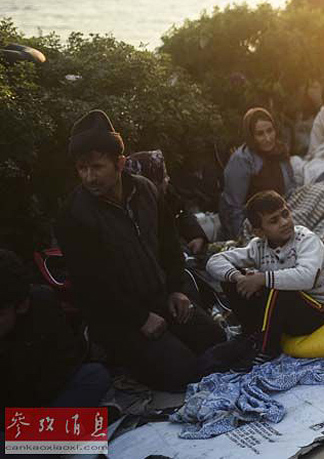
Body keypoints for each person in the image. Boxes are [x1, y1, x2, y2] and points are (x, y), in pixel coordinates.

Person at [56, 110, 225, 391]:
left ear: (120, 163)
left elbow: (169, 245)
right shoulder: (75, 216)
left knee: (215, 340)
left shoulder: (146, 190)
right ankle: (122, 356)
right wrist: (139, 319)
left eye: (97, 167)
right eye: (82, 169)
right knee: (184, 373)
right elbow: (92, 288)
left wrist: (176, 290)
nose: (89, 177)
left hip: (161, 298)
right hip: (119, 319)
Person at [206, 190, 324, 370]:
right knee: (232, 279)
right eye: (274, 221)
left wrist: (262, 278)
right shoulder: (258, 247)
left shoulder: (306, 239)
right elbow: (214, 261)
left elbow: (306, 277)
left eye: (285, 214)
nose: (284, 222)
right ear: (259, 232)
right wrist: (239, 277)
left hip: (316, 311)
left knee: (278, 288)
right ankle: (251, 333)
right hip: (282, 314)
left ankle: (267, 348)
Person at [0, 249, 112, 407]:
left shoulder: (43, 304)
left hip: (38, 395)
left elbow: (66, 362)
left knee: (95, 375)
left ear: (22, 305)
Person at [220, 107, 295, 239]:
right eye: (260, 134)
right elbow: (234, 207)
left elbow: (291, 190)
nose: (268, 138)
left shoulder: (280, 152)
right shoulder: (242, 160)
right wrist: (242, 238)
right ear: (251, 136)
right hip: (257, 223)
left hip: (283, 212)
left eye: (270, 131)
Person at [126, 150, 209, 256]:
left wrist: (197, 236)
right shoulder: (135, 212)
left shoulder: (168, 194)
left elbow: (182, 212)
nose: (167, 179)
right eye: (164, 176)